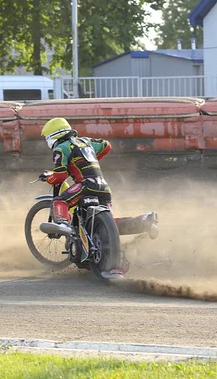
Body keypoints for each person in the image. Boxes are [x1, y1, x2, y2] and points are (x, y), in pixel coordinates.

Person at [39, 118, 155, 275]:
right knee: (109, 225)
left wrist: (48, 177)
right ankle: (143, 222)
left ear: (53, 136)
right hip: (103, 188)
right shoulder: (86, 141)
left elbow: (59, 176)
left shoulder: (61, 148)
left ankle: (65, 226)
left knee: (60, 201)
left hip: (85, 185)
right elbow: (107, 146)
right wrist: (91, 160)